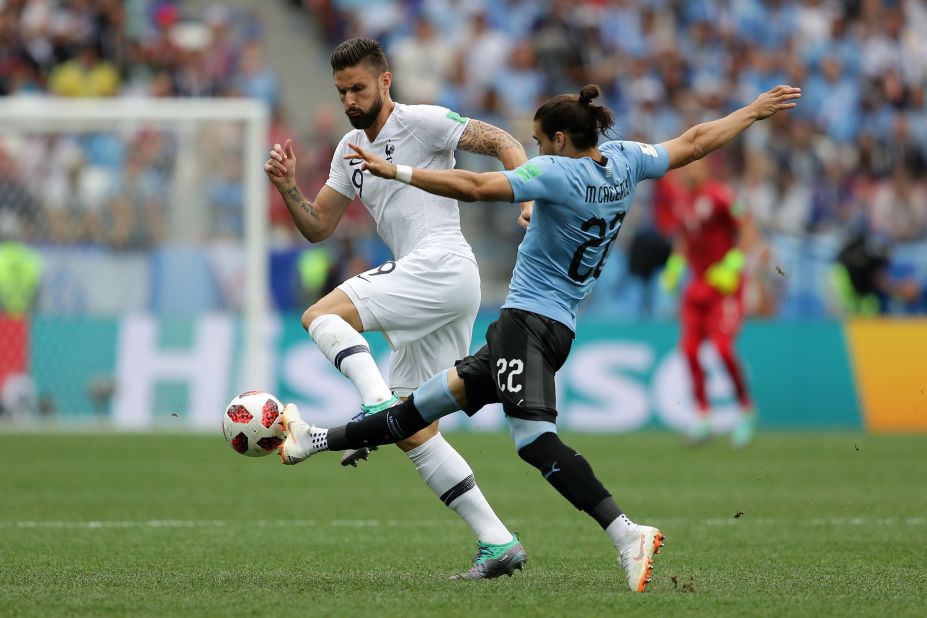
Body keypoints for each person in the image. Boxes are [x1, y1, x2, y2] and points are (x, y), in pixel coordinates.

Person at [276, 81, 800, 591]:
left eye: (537, 140)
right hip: (549, 326)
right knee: (409, 413)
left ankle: (626, 533)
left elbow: (478, 187)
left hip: (528, 323)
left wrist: (399, 171)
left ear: (558, 140)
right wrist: (751, 111)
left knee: (532, 440)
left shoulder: (556, 173)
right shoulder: (624, 160)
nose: (532, 149)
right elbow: (693, 142)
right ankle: (312, 440)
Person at [263, 37, 531, 579]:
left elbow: (503, 139)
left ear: (385, 81)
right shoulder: (346, 151)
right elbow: (319, 226)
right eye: (342, 92)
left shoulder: (424, 122)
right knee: (410, 428)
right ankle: (498, 542)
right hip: (437, 283)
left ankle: (370, 403)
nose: (349, 100)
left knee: (320, 317)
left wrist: (525, 195)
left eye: (358, 88)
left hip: (442, 262)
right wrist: (290, 189)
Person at [658, 158, 756, 447]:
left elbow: (747, 229)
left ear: (704, 169)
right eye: (685, 167)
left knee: (723, 349)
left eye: (694, 167)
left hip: (724, 287)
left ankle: (745, 410)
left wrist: (734, 263)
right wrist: (676, 265)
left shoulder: (720, 195)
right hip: (698, 287)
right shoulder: (681, 201)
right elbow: (684, 239)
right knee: (688, 350)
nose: (689, 171)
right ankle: (703, 415)